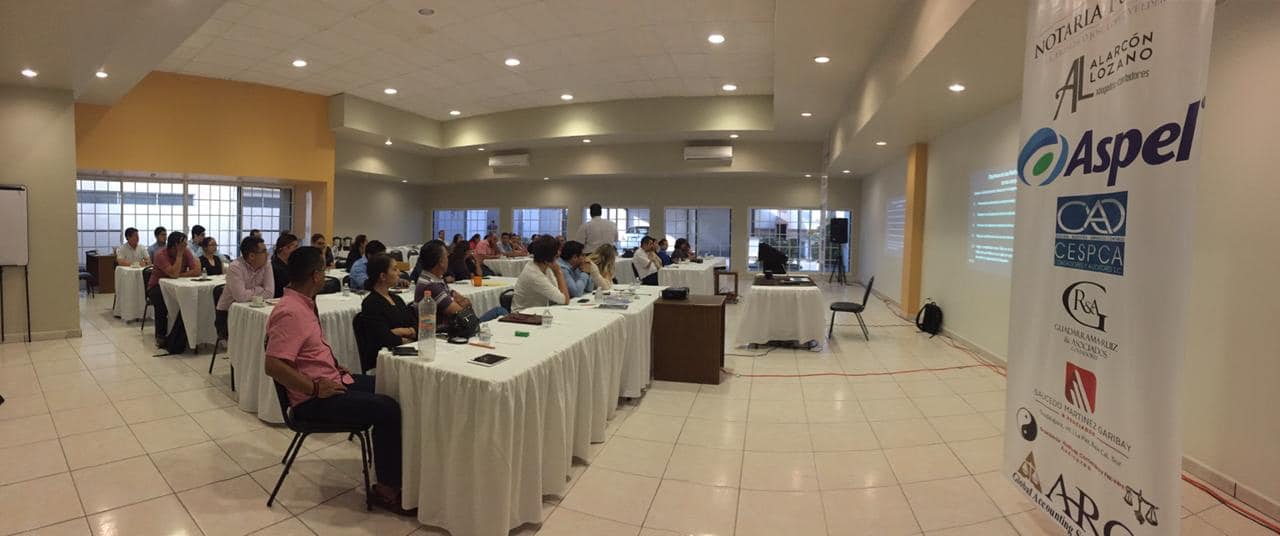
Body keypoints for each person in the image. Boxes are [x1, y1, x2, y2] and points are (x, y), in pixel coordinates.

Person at [263, 247, 414, 516]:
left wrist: (331, 365)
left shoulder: (303, 304)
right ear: (315, 276)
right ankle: (387, 489)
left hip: (331, 379)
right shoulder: (290, 311)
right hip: (313, 399)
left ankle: (398, 468)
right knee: (388, 408)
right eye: (324, 269)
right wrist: (315, 387)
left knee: (391, 385)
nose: (326, 274)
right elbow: (273, 365)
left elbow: (307, 352)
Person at [415, 240, 506, 325]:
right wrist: (465, 304)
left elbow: (459, 298)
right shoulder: (431, 286)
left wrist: (463, 302)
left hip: (457, 326)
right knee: (500, 311)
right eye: (446, 256)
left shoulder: (432, 278)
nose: (448, 259)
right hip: (453, 329)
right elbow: (462, 314)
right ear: (441, 262)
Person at [216, 236, 273, 341]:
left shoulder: (267, 264)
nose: (268, 254)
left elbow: (270, 293)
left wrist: (250, 292)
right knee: (250, 339)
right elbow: (240, 297)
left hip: (256, 311)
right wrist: (260, 289)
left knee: (263, 336)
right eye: (264, 251)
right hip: (228, 313)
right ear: (251, 256)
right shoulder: (235, 267)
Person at [148, 232, 200, 346]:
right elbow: (174, 274)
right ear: (176, 245)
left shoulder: (186, 251)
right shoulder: (160, 254)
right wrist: (179, 255)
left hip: (177, 284)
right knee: (161, 302)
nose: (186, 245)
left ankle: (184, 334)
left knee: (191, 299)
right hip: (157, 286)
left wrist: (179, 275)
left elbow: (196, 271)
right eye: (183, 243)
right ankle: (161, 335)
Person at [361, 253, 417, 349]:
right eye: (394, 269)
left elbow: (416, 325)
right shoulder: (371, 304)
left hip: (406, 347)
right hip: (387, 353)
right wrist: (409, 338)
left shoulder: (397, 299)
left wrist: (402, 331)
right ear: (383, 276)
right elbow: (384, 338)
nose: (399, 273)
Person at [513, 236, 570, 311]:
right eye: (557, 251)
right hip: (523, 314)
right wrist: (558, 272)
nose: (559, 253)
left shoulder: (543, 266)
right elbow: (565, 300)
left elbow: (558, 292)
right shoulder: (534, 275)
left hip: (538, 311)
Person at [271, 233, 300, 298]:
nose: (297, 250)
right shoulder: (275, 267)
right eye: (295, 247)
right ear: (285, 248)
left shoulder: (291, 264)